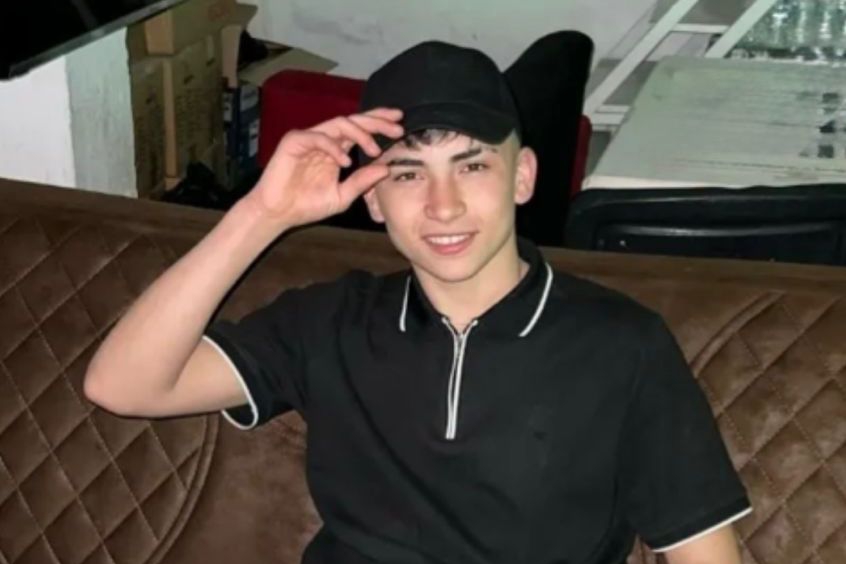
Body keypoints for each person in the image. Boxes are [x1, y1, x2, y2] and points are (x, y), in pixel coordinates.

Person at [84, 41, 751, 564]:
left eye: (472, 165)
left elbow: (704, 552)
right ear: (372, 198)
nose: (443, 206)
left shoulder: (622, 344)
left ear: (522, 177)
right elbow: (122, 386)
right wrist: (263, 213)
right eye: (408, 173)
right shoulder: (330, 321)